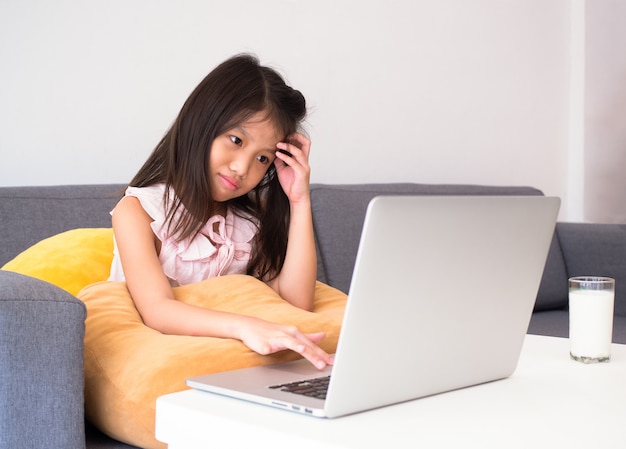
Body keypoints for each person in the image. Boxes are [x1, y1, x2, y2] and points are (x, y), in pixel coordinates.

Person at [108, 54, 333, 370]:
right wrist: (245, 326)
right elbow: (157, 310)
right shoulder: (139, 212)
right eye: (237, 139)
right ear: (202, 123)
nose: (243, 167)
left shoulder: (246, 225)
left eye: (263, 159)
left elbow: (296, 303)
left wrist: (299, 201)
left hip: (223, 366)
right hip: (158, 363)